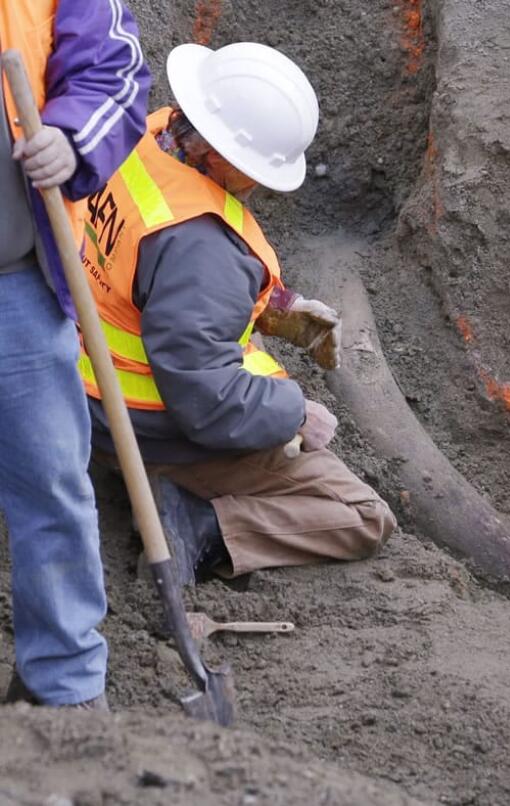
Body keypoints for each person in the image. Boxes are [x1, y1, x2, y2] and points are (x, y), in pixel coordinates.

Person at [80, 41, 394, 589]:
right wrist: (295, 413)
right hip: (138, 424)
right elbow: (210, 403)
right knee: (360, 515)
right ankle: (200, 525)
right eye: (255, 172)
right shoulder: (204, 250)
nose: (257, 186)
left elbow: (151, 275)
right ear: (223, 156)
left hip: (77, 375)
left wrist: (275, 308)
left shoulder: (141, 137)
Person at [0, 0, 150, 711]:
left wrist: (68, 139)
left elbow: (112, 69)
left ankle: (62, 694)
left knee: (51, 485)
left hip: (14, 284)